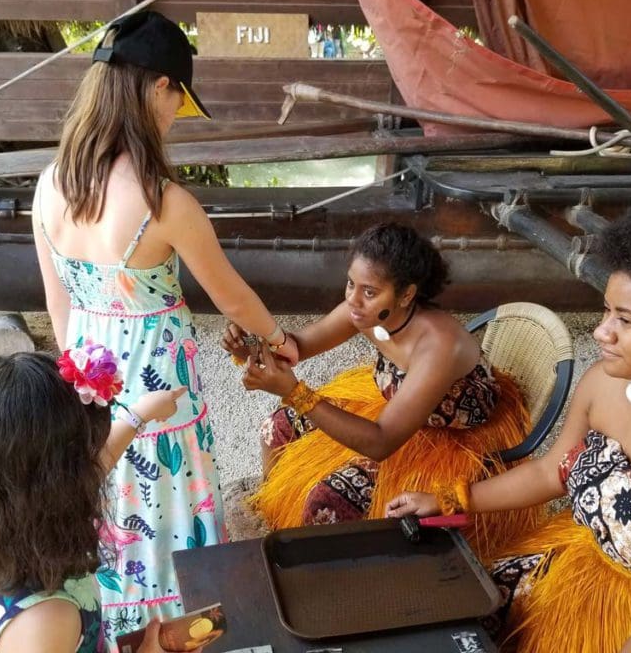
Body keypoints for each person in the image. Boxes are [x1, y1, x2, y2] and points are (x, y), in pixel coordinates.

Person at [387, 197, 631, 653]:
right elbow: (552, 470)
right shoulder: (605, 384)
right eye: (607, 311)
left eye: (626, 321)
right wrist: (451, 499)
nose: (600, 332)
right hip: (577, 566)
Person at [31, 9, 298, 646]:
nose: (178, 112)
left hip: (89, 379)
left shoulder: (48, 186)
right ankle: (183, 632)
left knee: (108, 500)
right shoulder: (163, 203)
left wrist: (81, 388)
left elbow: (58, 307)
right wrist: (279, 339)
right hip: (160, 378)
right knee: (172, 506)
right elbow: (232, 297)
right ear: (158, 88)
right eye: (180, 96)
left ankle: (113, 629)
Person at [227, 223, 540, 558]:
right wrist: (253, 348)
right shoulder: (362, 312)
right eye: (351, 283)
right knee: (277, 427)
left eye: (370, 292)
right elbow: (297, 346)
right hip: (399, 416)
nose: (353, 300)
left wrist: (293, 392)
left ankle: (319, 575)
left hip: (453, 442)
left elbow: (380, 442)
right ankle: (272, 519)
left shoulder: (437, 345)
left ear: (406, 295)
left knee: (327, 501)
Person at [0, 349, 198, 653]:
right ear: (61, 487)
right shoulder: (46, 622)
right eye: (85, 457)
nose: (94, 466)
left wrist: (138, 415)